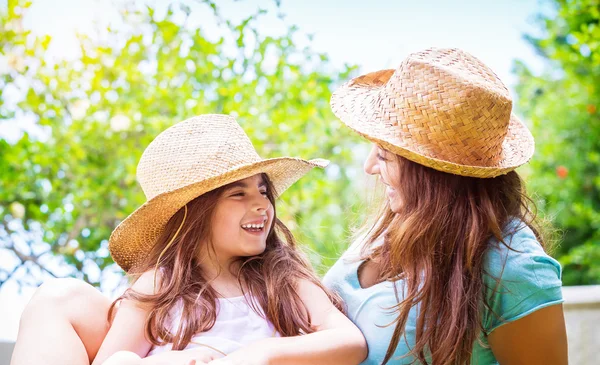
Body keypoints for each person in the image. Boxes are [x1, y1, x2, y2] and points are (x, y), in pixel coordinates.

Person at [11, 114, 367, 365]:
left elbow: (350, 343)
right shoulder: (160, 287)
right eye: (238, 195)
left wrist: (261, 354)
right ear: (194, 214)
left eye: (263, 191)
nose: (262, 205)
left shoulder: (281, 277)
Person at [323, 47, 569, 365]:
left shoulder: (511, 268)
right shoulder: (396, 221)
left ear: (429, 172)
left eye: (384, 154)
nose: (370, 166)